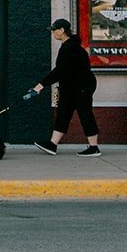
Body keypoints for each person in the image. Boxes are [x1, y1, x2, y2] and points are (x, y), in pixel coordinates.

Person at [30, 17, 101, 157]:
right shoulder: (69, 46)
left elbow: (59, 70)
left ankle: (94, 147)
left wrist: (40, 85)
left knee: (85, 114)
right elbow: (65, 71)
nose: (53, 33)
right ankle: (52, 145)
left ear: (62, 30)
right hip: (71, 87)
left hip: (81, 87)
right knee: (63, 114)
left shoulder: (70, 48)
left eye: (54, 30)